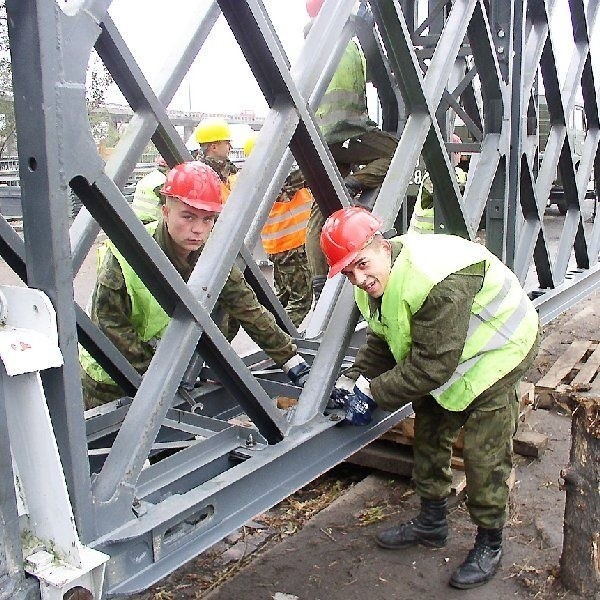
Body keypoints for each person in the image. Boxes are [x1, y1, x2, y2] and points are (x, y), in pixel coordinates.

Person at [320, 207, 540, 590]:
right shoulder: (377, 282)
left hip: (499, 352)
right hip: (447, 357)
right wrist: (354, 378)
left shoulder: (436, 279)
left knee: (484, 453)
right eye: (348, 272)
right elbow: (383, 336)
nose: (359, 278)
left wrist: (372, 392)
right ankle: (432, 522)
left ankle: (490, 539)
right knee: (430, 430)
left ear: (382, 246)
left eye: (362, 264)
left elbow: (431, 369)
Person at [80, 162, 310, 409]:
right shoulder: (126, 255)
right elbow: (110, 327)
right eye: (188, 216)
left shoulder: (210, 254)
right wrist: (163, 373)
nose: (198, 230)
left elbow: (248, 308)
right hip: (110, 382)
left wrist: (291, 359)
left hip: (164, 369)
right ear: (166, 211)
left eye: (207, 219)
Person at [303, 0, 399, 299]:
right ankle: (356, 181)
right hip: (348, 129)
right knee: (395, 152)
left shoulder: (310, 46)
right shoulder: (344, 42)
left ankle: (319, 279)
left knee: (320, 208)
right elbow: (373, 76)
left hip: (320, 136)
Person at [244, 136, 313, 327]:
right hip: (294, 245)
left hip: (277, 246)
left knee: (282, 298)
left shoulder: (252, 177)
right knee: (301, 301)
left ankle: (267, 332)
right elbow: (308, 170)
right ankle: (279, 339)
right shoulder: (278, 176)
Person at [408, 133, 468, 234]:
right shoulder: (432, 176)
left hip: (435, 239)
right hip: (420, 240)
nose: (459, 156)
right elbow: (447, 192)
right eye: (457, 152)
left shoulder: (459, 173)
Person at [194, 117, 239, 200]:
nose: (231, 147)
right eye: (227, 143)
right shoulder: (199, 177)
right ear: (214, 147)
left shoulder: (231, 171)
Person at [131, 156, 169, 223]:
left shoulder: (150, 177)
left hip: (136, 220)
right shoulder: (162, 182)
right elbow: (171, 204)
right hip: (151, 222)